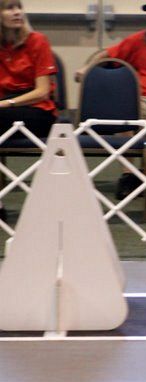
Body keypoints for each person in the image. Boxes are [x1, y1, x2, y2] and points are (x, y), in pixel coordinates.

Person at [75, 0, 146, 200]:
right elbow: (107, 54)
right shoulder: (142, 39)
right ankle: (128, 173)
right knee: (123, 116)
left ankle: (141, 174)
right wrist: (86, 68)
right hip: (141, 96)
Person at [0, 0, 57, 221]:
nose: (16, 12)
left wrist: (7, 104)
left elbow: (42, 91)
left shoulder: (38, 41)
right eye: (9, 8)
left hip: (37, 110)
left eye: (18, 7)